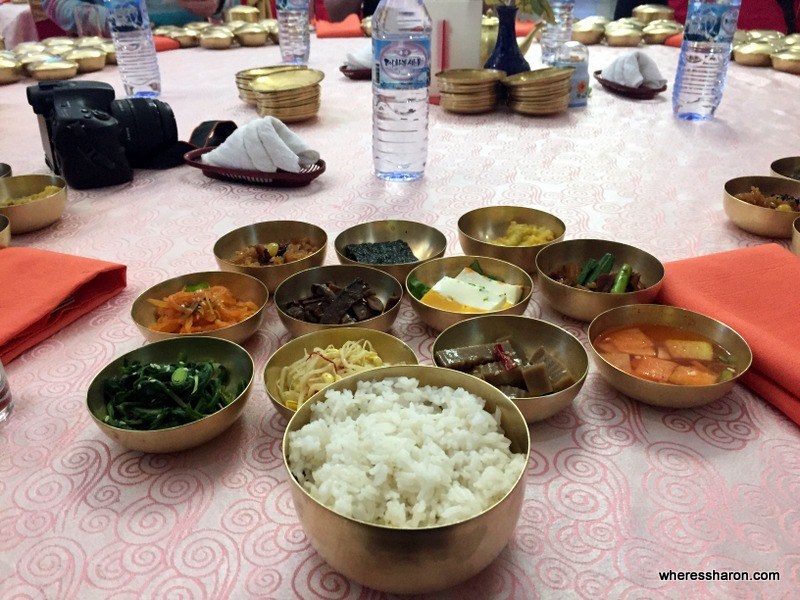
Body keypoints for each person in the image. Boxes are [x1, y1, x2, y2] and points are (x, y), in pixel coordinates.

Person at [41, 0, 238, 37]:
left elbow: (233, 5)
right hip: (115, 57)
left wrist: (219, 4)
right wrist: (103, 19)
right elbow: (54, 3)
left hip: (196, 50)